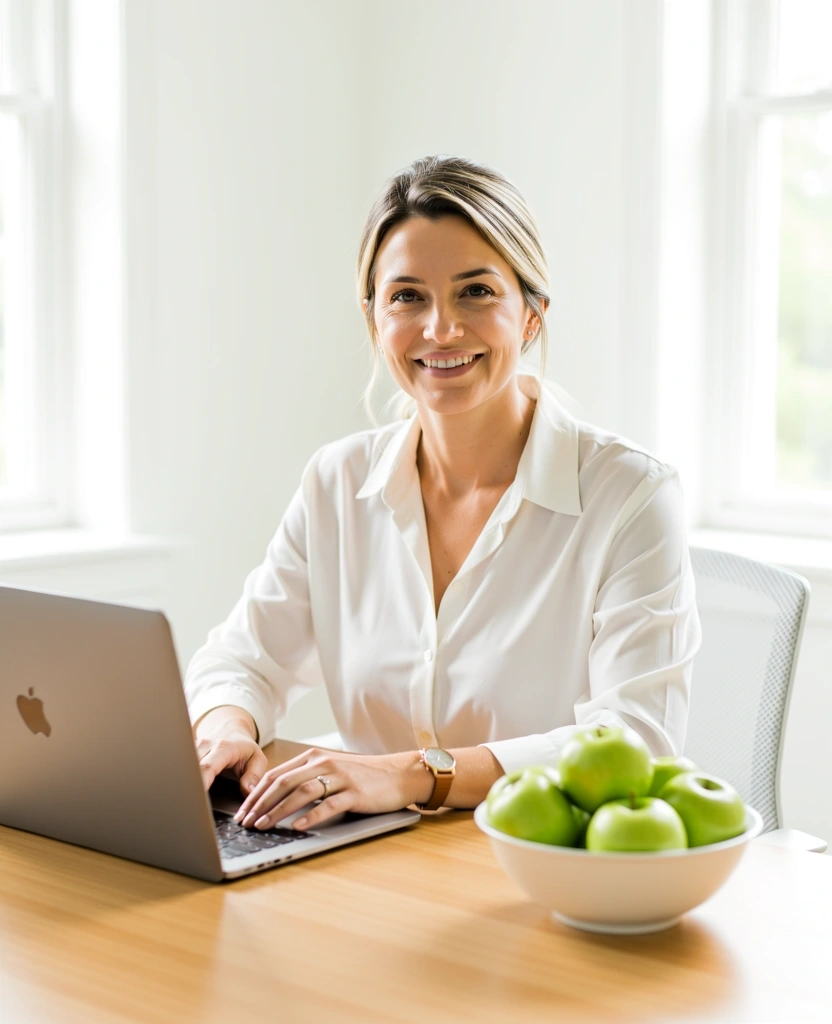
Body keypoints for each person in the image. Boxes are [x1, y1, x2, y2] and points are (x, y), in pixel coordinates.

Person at [184, 154, 702, 834]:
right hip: (366, 859)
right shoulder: (336, 482)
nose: (440, 329)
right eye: (407, 297)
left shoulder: (629, 495)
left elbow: (634, 737)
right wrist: (227, 725)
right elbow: (240, 659)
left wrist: (410, 774)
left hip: (542, 866)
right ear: (374, 321)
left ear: (531, 316)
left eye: (476, 292)